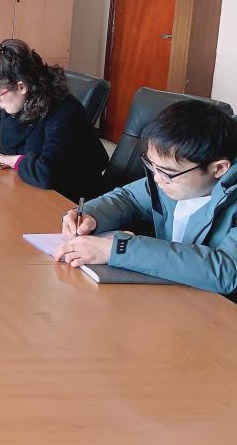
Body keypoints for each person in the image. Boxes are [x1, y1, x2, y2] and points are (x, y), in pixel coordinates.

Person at [57, 101, 237, 298]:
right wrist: (91, 215)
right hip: (174, 292)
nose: (157, 178)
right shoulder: (174, 180)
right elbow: (129, 198)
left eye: (167, 173)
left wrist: (118, 249)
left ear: (219, 168)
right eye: (152, 166)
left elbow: (227, 271)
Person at [0, 39, 107, 201]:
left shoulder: (64, 111)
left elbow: (48, 171)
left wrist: (12, 161)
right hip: (27, 190)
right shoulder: (22, 101)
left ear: (21, 87)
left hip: (70, 200)